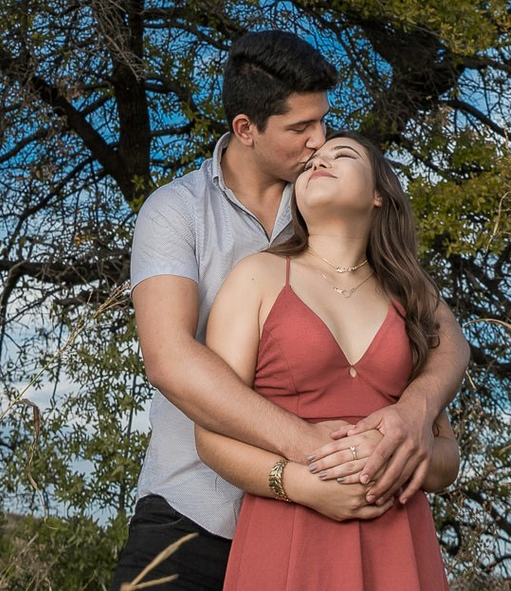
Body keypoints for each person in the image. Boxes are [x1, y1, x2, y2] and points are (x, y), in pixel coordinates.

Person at [111, 32, 469, 591]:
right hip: (195, 510)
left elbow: (446, 338)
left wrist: (416, 412)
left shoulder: (328, 213)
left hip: (333, 526)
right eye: (300, 129)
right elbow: (170, 360)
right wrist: (315, 452)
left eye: (323, 123)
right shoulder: (176, 211)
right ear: (246, 130)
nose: (318, 140)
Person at [191, 133, 457, 590]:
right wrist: (299, 483)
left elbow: (448, 458)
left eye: (343, 155)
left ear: (378, 194)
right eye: (312, 160)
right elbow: (210, 437)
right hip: (288, 532)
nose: (320, 161)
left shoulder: (412, 295)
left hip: (399, 542)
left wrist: (393, 456)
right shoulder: (257, 276)